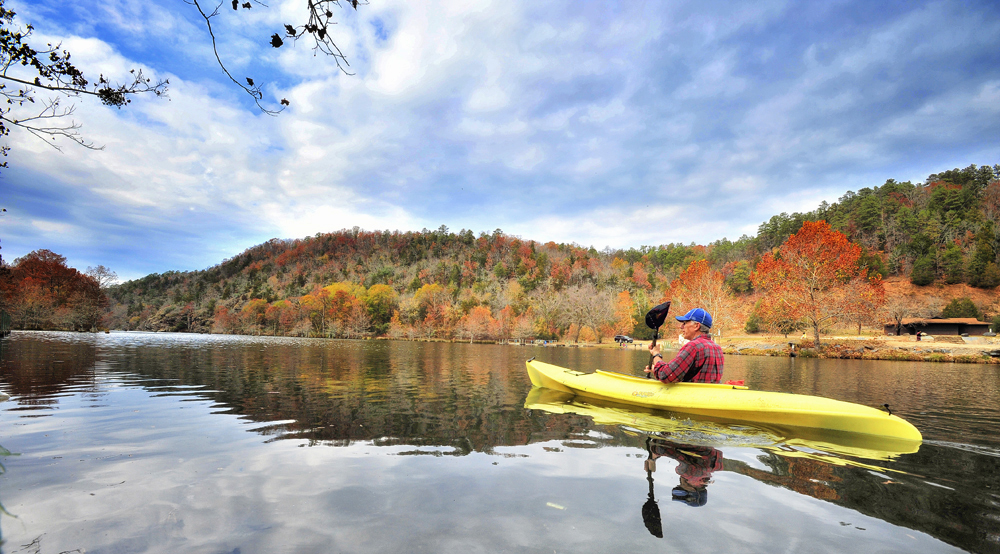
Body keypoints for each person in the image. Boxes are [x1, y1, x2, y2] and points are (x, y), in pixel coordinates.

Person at [645, 308, 723, 383]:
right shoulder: (717, 348)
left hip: (692, 395)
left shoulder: (693, 346)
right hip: (709, 395)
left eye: (685, 323)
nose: (681, 326)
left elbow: (665, 375)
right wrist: (655, 369)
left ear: (696, 326)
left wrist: (656, 354)